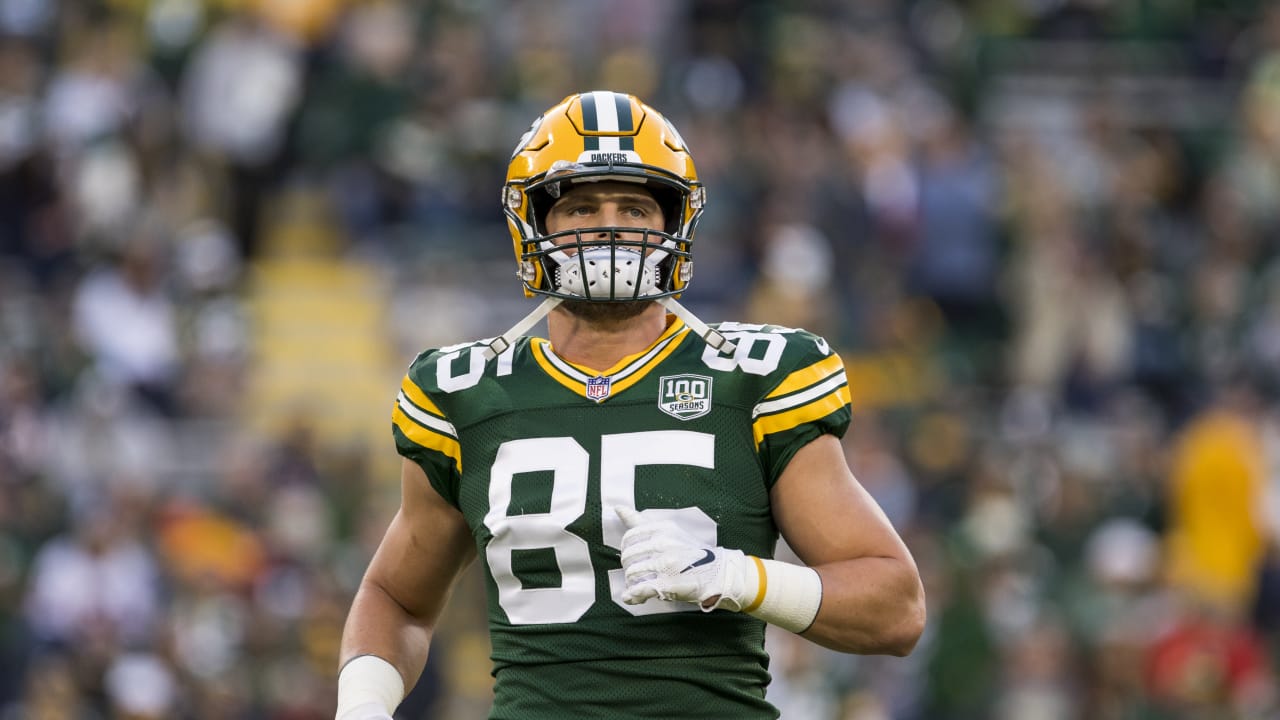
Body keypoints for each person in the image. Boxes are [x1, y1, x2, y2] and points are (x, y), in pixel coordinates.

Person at [335, 91, 926, 720]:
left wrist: (738, 578)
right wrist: (363, 707)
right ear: (533, 224)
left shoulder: (751, 378)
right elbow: (395, 597)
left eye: (635, 207)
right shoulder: (465, 392)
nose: (608, 227)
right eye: (582, 207)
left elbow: (896, 607)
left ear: (673, 225)